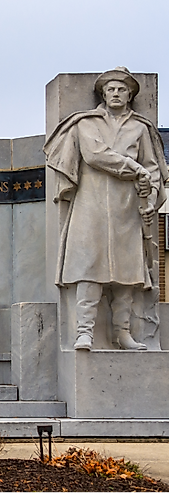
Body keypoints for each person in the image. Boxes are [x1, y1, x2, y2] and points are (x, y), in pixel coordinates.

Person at [45, 67, 168, 351]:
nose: (116, 93)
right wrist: (133, 167)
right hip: (92, 203)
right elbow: (95, 155)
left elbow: (152, 169)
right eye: (111, 89)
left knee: (127, 275)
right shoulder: (86, 123)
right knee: (89, 267)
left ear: (130, 95)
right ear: (103, 93)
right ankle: (84, 332)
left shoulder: (140, 128)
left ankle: (122, 333)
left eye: (121, 89)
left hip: (127, 207)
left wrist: (150, 203)